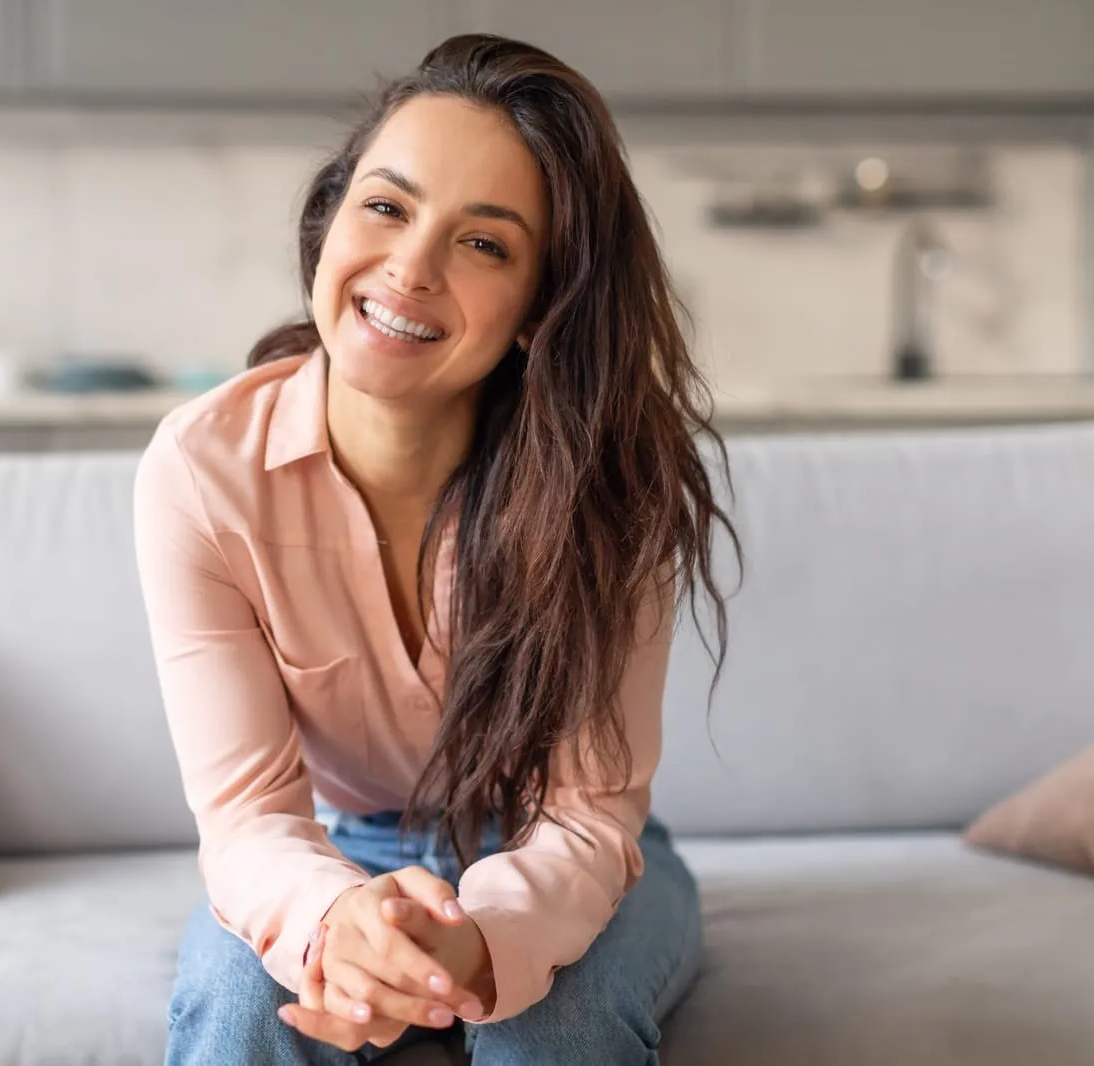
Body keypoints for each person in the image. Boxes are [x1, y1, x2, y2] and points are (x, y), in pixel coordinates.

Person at [136, 33, 736, 1066]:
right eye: (386, 206)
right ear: (328, 221)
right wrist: (342, 924)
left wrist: (481, 939)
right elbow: (247, 818)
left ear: (539, 307)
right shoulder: (204, 469)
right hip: (332, 848)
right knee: (240, 1017)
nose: (409, 268)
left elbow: (588, 819)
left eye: (485, 243)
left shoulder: (610, 485)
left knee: (555, 1028)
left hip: (559, 851)